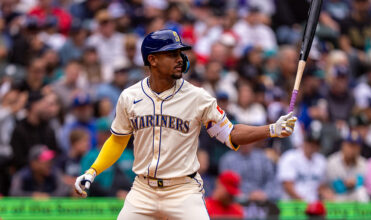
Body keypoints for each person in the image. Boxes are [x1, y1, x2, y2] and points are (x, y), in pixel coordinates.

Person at [74, 29, 297, 220]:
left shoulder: (198, 98)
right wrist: (93, 171)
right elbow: (117, 140)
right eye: (172, 54)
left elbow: (231, 134)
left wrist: (271, 129)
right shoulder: (129, 97)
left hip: (183, 190)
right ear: (152, 60)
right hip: (142, 189)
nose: (180, 58)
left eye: (180, 53)